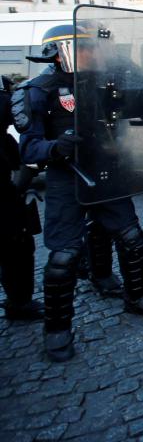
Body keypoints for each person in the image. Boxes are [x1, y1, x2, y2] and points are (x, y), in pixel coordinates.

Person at [13, 25, 143, 361]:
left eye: (91, 48)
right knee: (63, 258)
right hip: (65, 180)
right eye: (81, 48)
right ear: (57, 54)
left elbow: (126, 115)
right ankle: (57, 330)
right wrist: (56, 147)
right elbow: (28, 150)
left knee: (133, 238)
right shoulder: (37, 91)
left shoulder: (103, 83)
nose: (91, 54)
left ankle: (136, 296)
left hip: (107, 173)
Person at [1, 75, 43, 322]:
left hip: (8, 199)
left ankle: (19, 302)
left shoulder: (6, 141)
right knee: (15, 248)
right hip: (5, 203)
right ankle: (19, 303)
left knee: (18, 248)